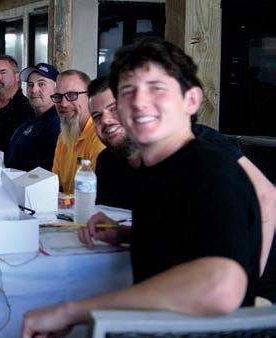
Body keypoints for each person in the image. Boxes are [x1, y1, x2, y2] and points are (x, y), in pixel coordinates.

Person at [22, 38, 263, 338]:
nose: (138, 102)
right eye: (127, 92)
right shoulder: (155, 169)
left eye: (156, 89)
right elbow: (186, 238)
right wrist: (126, 234)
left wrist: (71, 311)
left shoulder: (208, 167)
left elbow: (220, 288)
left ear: (191, 101)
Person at [88, 74, 276, 299]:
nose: (106, 120)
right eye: (96, 116)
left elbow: (266, 196)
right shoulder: (109, 163)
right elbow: (175, 232)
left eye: (114, 108)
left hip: (252, 282)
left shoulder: (194, 141)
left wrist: (248, 279)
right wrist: (123, 234)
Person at [50, 69, 105, 194]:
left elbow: (96, 196)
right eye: (58, 97)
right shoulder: (64, 135)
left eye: (72, 95)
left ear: (90, 97)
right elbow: (56, 185)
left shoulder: (99, 135)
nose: (63, 104)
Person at [4, 63, 60, 172]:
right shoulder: (32, 118)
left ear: (56, 89)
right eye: (30, 84)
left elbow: (42, 172)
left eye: (41, 84)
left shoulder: (56, 123)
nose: (33, 90)